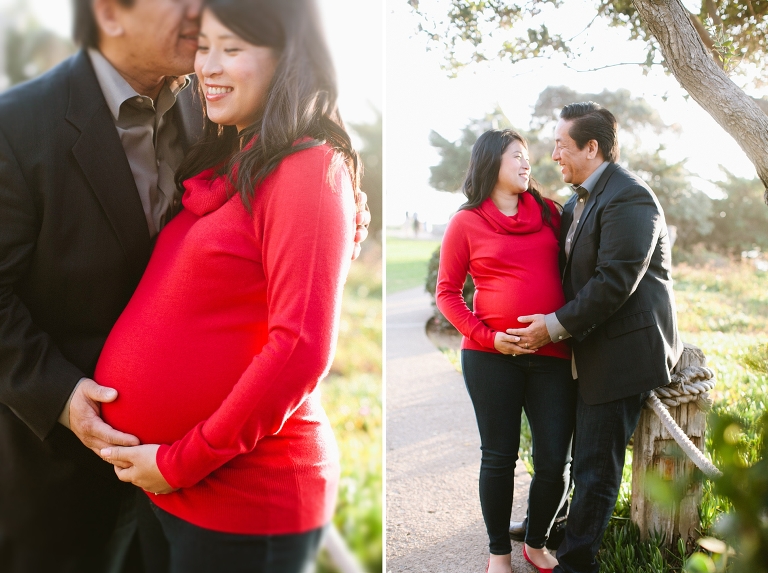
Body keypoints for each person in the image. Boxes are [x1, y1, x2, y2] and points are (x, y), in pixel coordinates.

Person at [0, 0, 368, 570]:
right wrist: (62, 396)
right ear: (111, 13)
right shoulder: (17, 125)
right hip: (64, 458)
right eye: (202, 35)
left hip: (210, 478)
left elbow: (299, 335)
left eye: (230, 44)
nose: (203, 26)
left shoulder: (216, 108)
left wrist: (337, 206)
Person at [508, 102, 682, 573]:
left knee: (596, 467)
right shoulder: (577, 200)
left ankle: (577, 560)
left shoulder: (631, 197)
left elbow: (613, 283)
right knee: (574, 450)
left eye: (562, 146)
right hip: (585, 344)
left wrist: (553, 325)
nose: (554, 155)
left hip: (624, 349)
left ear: (592, 147)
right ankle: (559, 525)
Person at [436, 129, 576, 573]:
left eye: (527, 157)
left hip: (551, 355)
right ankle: (499, 552)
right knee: (499, 455)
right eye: (516, 156)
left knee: (555, 457)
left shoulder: (553, 214)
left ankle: (535, 542)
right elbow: (447, 293)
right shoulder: (466, 222)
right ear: (491, 162)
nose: (526, 163)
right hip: (490, 357)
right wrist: (488, 336)